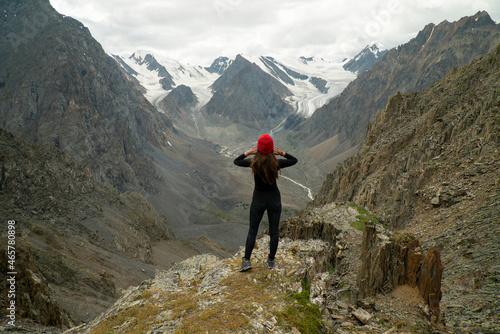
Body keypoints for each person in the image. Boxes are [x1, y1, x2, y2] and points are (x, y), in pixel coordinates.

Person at [233, 133, 298, 271]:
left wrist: (248, 152)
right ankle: (271, 260)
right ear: (271, 148)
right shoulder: (277, 163)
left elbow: (236, 161)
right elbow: (294, 160)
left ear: (258, 148)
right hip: (274, 200)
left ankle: (246, 261)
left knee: (252, 231)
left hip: (258, 201)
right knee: (274, 232)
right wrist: (282, 153)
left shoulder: (253, 162)